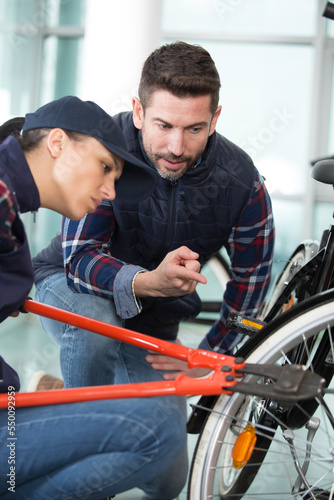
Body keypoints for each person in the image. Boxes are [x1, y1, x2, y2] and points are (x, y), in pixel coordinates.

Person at [33, 42, 275, 494]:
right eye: (163, 125)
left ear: (215, 120)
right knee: (95, 322)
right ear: (138, 111)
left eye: (194, 128)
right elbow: (80, 258)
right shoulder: (105, 149)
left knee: (167, 481)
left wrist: (208, 356)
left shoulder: (242, 183)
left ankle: (57, 386)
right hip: (65, 288)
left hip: (154, 328)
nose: (176, 147)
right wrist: (146, 282)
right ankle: (77, 433)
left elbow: (251, 289)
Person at [0, 95, 189, 500]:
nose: (108, 192)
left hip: (6, 405)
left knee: (165, 460)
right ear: (57, 143)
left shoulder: (11, 206)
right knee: (158, 429)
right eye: (105, 168)